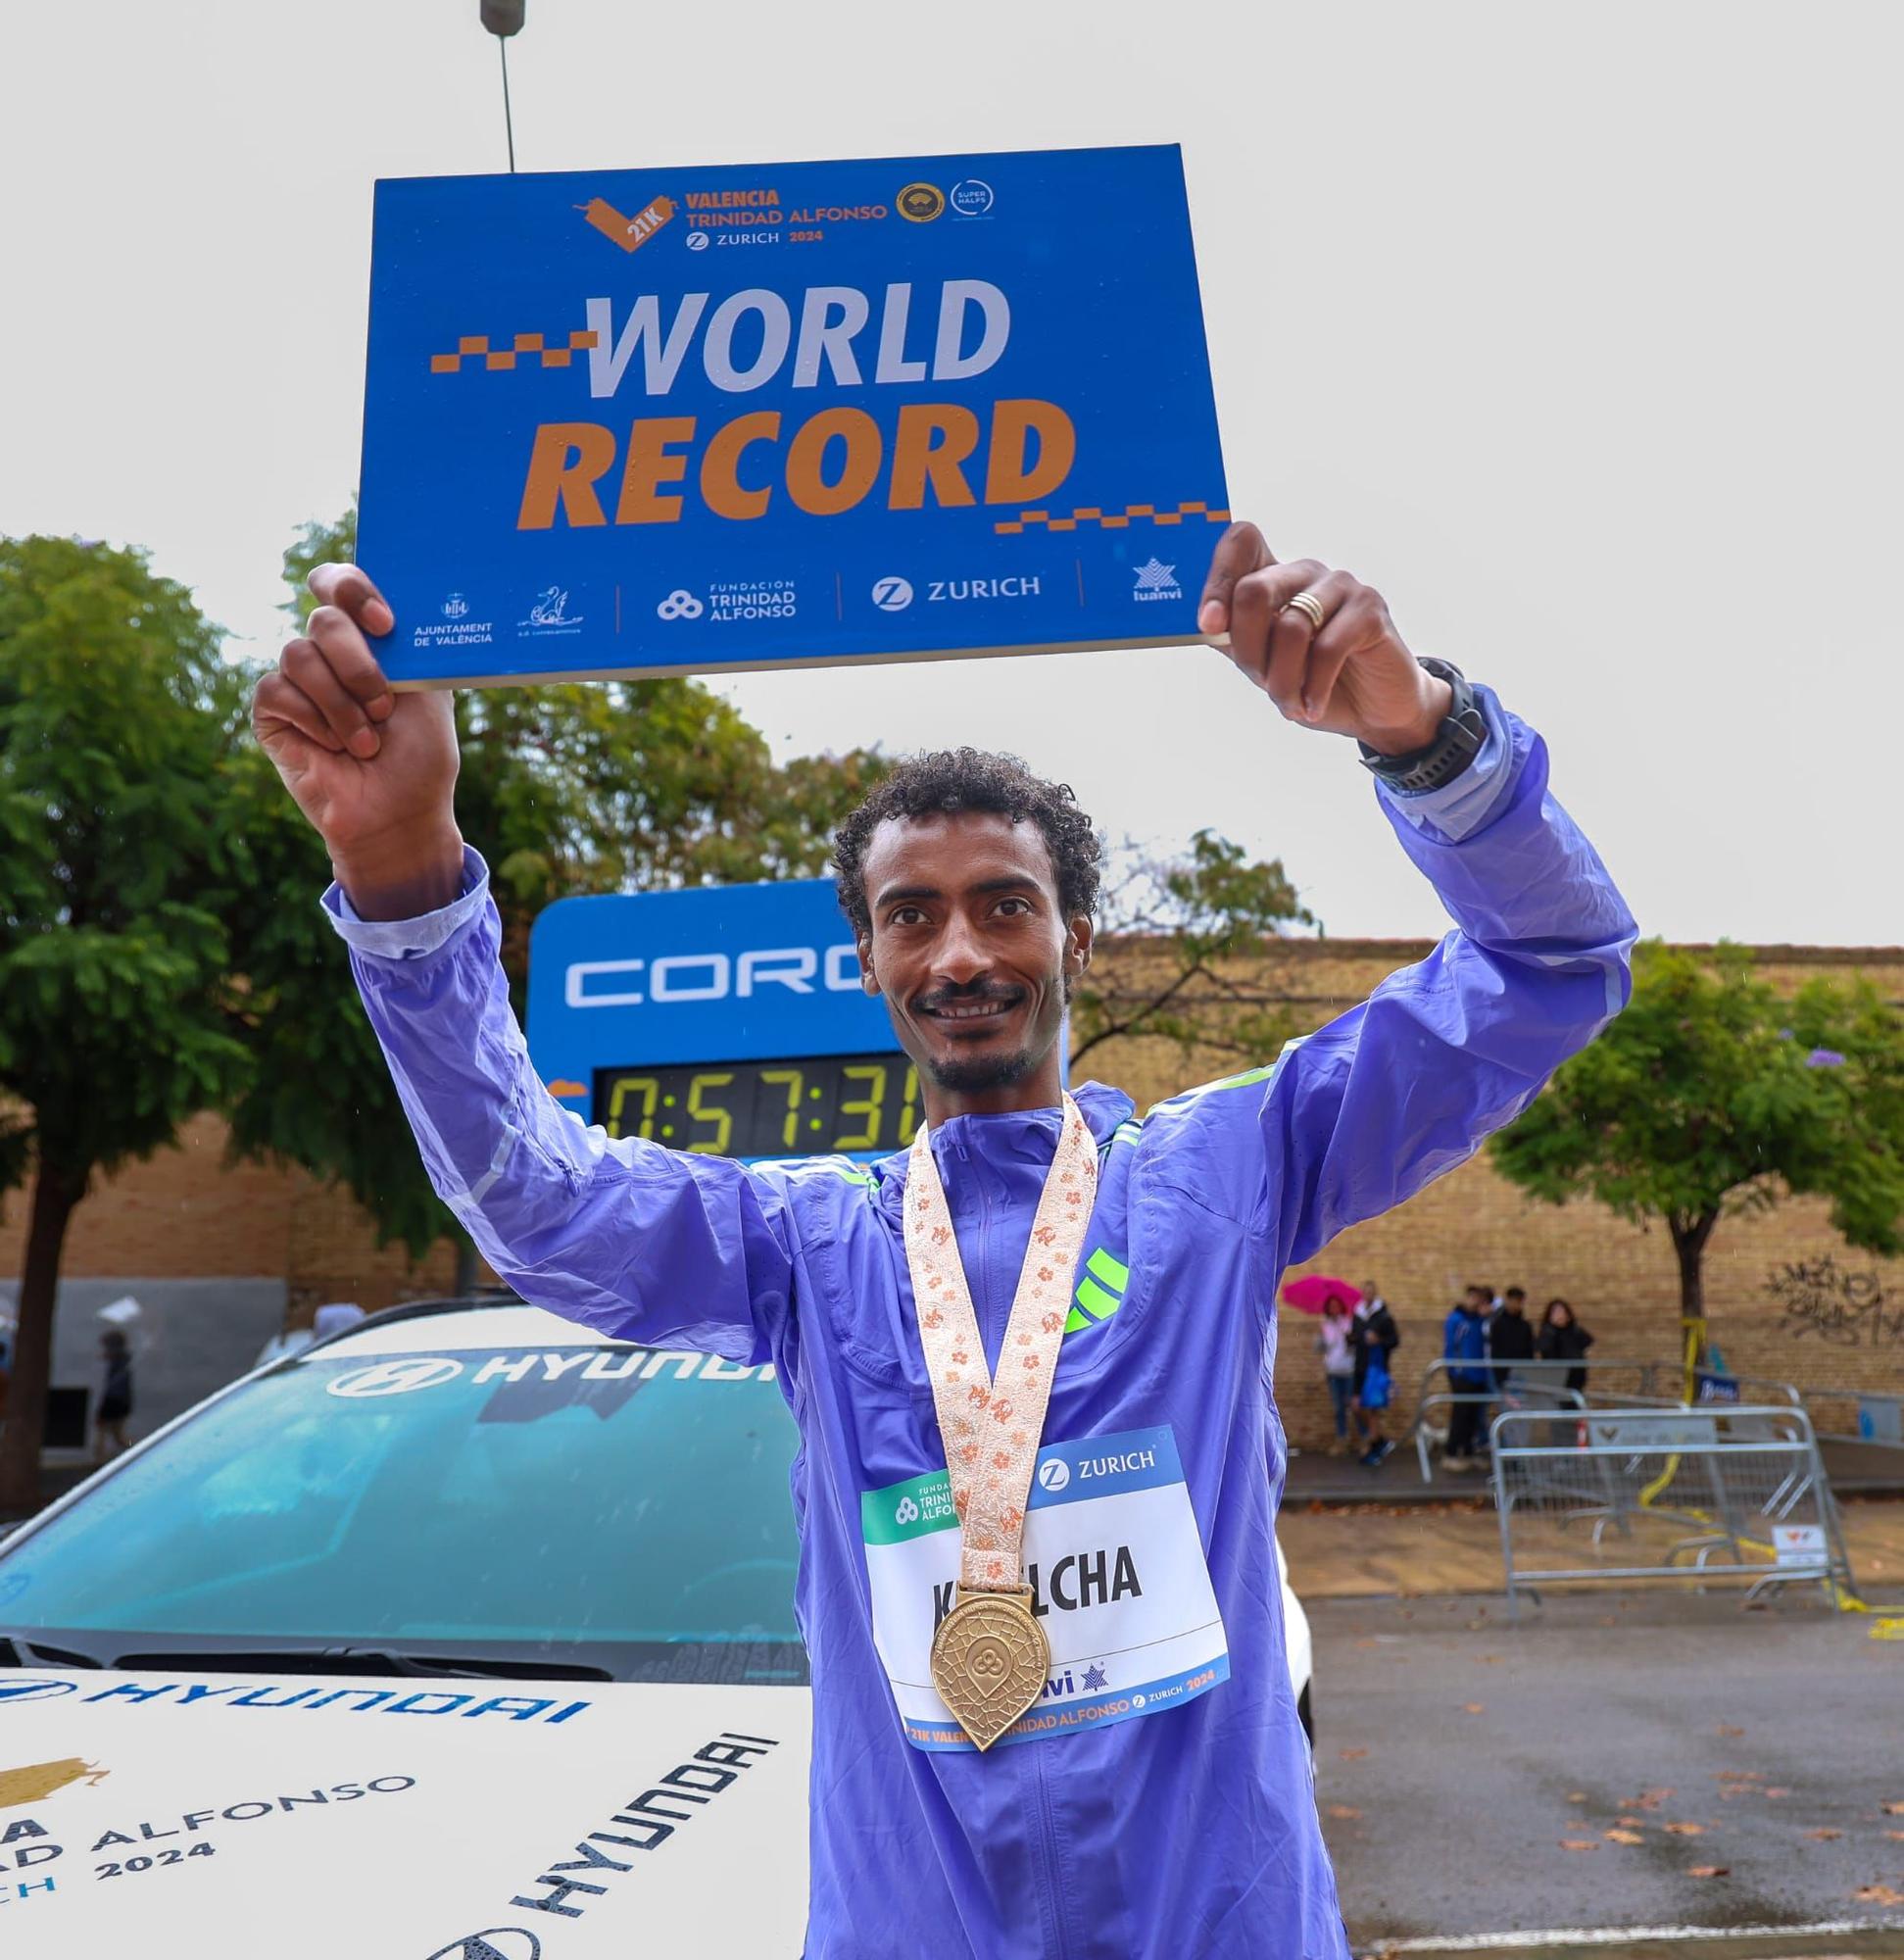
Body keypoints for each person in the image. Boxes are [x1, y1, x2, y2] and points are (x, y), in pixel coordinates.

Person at [252, 522, 1635, 1960]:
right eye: (911, 916)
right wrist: (404, 875)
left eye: (1003, 907)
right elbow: (532, 1201)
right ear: (867, 961)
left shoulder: (1229, 1168)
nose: (959, 953)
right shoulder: (804, 1241)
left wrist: (1424, 738)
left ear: (1078, 940)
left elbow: (1550, 964)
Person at [1350, 1282, 1399, 1466]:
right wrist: (1352, 1338)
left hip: (1377, 1369)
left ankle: (1372, 1447)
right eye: (1365, 1292)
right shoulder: (1358, 1315)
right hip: (1361, 1367)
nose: (1367, 1295)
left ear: (1374, 1294)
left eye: (1370, 1292)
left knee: (1372, 1410)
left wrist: (1379, 1340)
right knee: (1357, 1406)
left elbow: (1394, 1340)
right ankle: (1379, 1441)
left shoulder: (1384, 1317)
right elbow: (1356, 1339)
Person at [1441, 1291, 1491, 1471]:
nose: (1474, 1301)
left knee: (1473, 1415)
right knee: (1460, 1414)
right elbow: (1451, 1346)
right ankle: (1451, 1453)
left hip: (1479, 1374)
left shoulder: (1481, 1320)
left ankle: (1469, 1452)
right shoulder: (1456, 1319)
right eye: (1471, 1297)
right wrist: (1454, 1371)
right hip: (1462, 1374)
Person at [1315, 1297, 1357, 1453]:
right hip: (1333, 1371)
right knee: (1338, 1408)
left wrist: (1349, 1336)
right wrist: (1320, 1336)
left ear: (1341, 1307)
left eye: (1337, 1306)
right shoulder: (1324, 1325)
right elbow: (1318, 1349)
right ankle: (1342, 1440)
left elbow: (1355, 1345)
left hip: (1348, 1370)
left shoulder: (1348, 1322)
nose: (1334, 1309)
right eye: (1331, 1306)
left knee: (1353, 1406)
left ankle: (1364, 1439)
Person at [1538, 1297, 1594, 1393]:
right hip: (1555, 1377)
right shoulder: (1547, 1332)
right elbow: (1544, 1348)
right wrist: (1551, 1329)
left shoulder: (1574, 1331)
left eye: (1561, 1311)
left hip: (1575, 1377)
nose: (1559, 1315)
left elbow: (1587, 1341)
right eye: (1555, 1312)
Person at [94, 1329, 133, 1462]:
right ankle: (134, 1449)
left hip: (114, 1400)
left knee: (104, 1430)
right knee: (117, 1435)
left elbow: (114, 1387)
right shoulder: (123, 1361)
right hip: (121, 1401)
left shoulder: (119, 1363)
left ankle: (100, 1458)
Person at [1489, 1285, 1537, 1393]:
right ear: (1507, 1300)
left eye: (1519, 1301)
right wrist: (1499, 1376)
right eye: (1513, 1300)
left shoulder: (1525, 1325)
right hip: (1503, 1373)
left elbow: (1529, 1350)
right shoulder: (1498, 1324)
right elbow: (1495, 1350)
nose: (1515, 1304)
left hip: (1522, 1372)